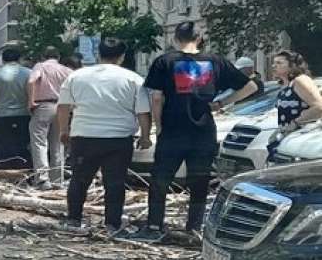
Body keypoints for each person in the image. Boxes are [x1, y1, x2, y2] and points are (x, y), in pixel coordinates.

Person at [131, 21, 258, 242]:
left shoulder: (164, 61)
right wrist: (222, 103)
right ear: (199, 38)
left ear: (175, 39)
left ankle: (153, 226)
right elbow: (251, 86)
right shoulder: (216, 61)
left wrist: (158, 126)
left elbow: (157, 97)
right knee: (199, 181)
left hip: (172, 129)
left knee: (161, 179)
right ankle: (194, 228)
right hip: (203, 131)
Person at [57, 38, 152, 236]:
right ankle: (112, 224)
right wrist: (145, 136)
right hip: (118, 139)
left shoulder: (77, 76)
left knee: (79, 180)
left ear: (98, 54)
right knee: (115, 182)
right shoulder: (133, 78)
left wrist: (64, 131)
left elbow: (63, 106)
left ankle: (74, 219)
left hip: (84, 136)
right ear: (122, 56)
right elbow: (143, 112)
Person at [27, 46, 73, 190]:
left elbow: (31, 81)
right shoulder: (66, 70)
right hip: (62, 107)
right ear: (58, 57)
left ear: (43, 56)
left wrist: (31, 101)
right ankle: (57, 180)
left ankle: (42, 179)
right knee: (58, 145)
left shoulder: (40, 66)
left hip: (43, 106)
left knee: (39, 143)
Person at [266, 51, 322, 159]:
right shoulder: (285, 85)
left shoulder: (300, 81)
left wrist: (295, 123)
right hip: (289, 136)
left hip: (303, 138)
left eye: (279, 63)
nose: (274, 66)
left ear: (293, 65)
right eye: (274, 63)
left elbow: (319, 106)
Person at [0, 47, 32, 169]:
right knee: (22, 144)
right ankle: (24, 170)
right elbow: (32, 94)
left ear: (3, 60)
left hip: (3, 116)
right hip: (24, 115)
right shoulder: (28, 73)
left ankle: (5, 173)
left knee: (3, 146)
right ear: (19, 59)